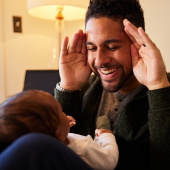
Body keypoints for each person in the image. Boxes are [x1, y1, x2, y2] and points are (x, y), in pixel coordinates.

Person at [54, 0, 170, 169]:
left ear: (137, 42)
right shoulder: (85, 88)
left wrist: (158, 86)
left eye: (112, 46)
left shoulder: (163, 91)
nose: (100, 60)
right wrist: (68, 87)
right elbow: (54, 150)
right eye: (92, 48)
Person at [0, 90, 118, 170]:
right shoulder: (82, 147)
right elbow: (109, 160)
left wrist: (62, 125)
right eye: (60, 112)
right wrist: (106, 136)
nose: (65, 114)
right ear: (57, 135)